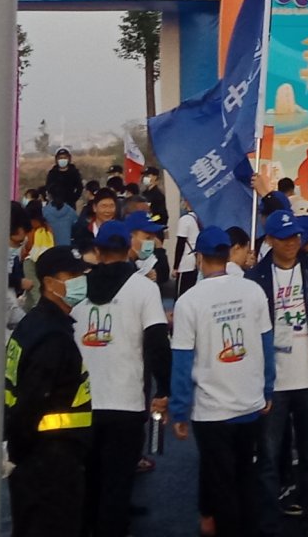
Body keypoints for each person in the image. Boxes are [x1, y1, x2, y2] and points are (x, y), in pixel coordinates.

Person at [172, 226, 274, 537]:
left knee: (221, 482)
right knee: (246, 476)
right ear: (228, 253)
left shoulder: (188, 301)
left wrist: (179, 409)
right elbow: (266, 345)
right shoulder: (253, 291)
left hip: (211, 410)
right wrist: (268, 388)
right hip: (250, 403)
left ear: (200, 258)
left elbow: (182, 360)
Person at [83, 214, 172, 537]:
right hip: (127, 401)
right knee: (118, 481)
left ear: (97, 250)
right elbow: (157, 342)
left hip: (83, 402)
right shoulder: (143, 289)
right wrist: (164, 390)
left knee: (88, 479)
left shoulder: (77, 288)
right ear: (129, 248)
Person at [248, 210, 308, 522]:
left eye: (295, 236)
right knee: (268, 456)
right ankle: (269, 521)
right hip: (274, 382)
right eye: (284, 238)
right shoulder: (255, 277)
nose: (292, 242)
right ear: (270, 240)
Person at [11, 245, 98, 537]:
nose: (80, 281)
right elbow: (31, 403)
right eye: (71, 276)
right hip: (51, 463)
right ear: (49, 283)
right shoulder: (52, 338)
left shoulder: (33, 325)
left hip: (42, 460)